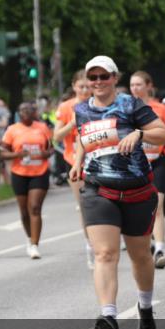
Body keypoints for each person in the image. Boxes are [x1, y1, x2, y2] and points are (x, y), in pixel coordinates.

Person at [68, 56, 165, 329]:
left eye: (103, 77)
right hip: (98, 189)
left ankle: (145, 306)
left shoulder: (130, 105)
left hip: (136, 190)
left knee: (140, 256)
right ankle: (108, 316)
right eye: (93, 77)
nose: (98, 82)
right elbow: (81, 138)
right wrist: (77, 162)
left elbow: (163, 134)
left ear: (114, 78)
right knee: (105, 253)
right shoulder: (81, 110)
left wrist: (139, 134)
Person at [129, 71, 165, 269]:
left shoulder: (159, 108)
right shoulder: (126, 109)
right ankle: (147, 238)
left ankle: (159, 250)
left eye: (139, 84)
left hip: (160, 160)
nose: (135, 88)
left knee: (158, 204)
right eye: (132, 85)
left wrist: (162, 138)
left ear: (149, 86)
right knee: (141, 207)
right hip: (137, 163)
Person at [0, 102, 53, 259]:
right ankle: (29, 239)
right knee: (24, 212)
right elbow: (2, 153)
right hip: (20, 173)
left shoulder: (42, 127)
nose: (27, 112)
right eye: (23, 110)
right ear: (19, 113)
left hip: (40, 172)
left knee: (35, 207)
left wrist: (46, 154)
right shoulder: (12, 130)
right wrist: (17, 155)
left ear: (34, 112)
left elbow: (51, 148)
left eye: (30, 109)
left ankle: (35, 245)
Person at [53, 70, 94, 268]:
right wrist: (72, 122)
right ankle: (90, 245)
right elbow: (57, 136)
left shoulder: (98, 104)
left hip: (97, 160)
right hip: (74, 161)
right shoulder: (66, 106)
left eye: (88, 86)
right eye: (81, 87)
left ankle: (105, 237)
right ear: (74, 86)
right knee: (84, 205)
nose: (85, 90)